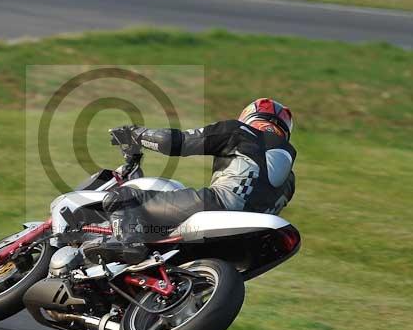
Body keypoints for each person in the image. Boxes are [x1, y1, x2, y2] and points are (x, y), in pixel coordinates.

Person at [83, 98, 296, 265]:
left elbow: (175, 142)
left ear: (249, 117)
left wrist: (136, 134)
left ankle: (128, 244)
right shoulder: (290, 180)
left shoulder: (240, 132)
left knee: (123, 198)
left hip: (218, 204)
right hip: (246, 239)